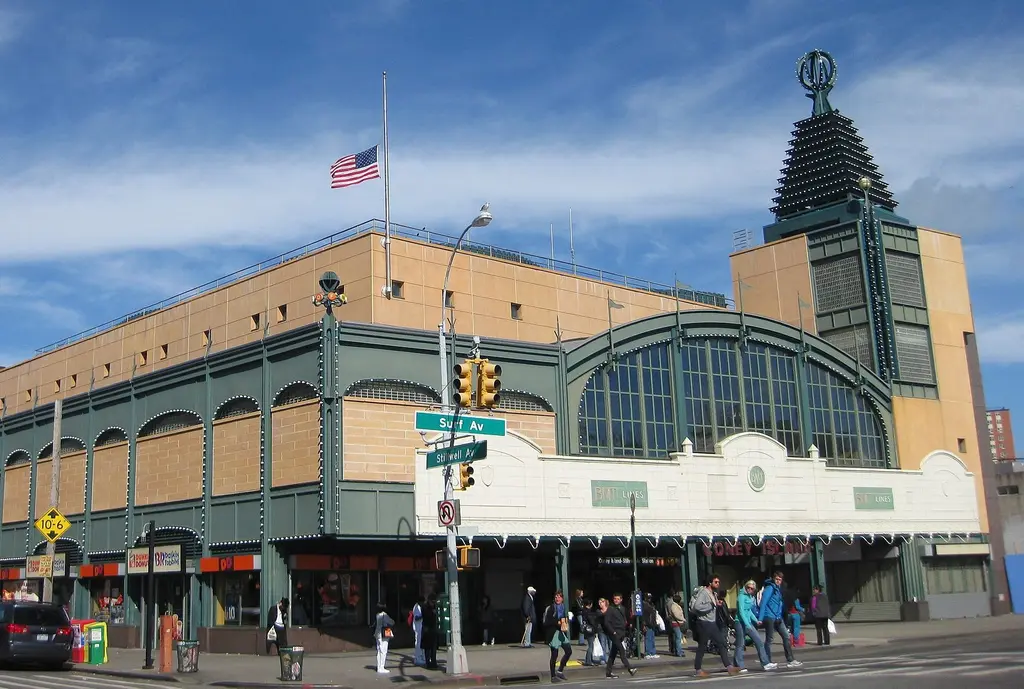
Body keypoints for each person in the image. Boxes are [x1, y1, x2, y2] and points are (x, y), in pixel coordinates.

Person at [689, 575, 740, 679]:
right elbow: (697, 606)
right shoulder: (704, 592)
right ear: (710, 583)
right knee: (703, 647)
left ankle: (729, 667)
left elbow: (714, 605)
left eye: (718, 582)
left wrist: (718, 603)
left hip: (711, 623)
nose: (718, 584)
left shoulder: (713, 593)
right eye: (716, 582)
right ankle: (698, 670)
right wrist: (711, 605)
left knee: (721, 643)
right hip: (704, 623)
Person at [757, 571, 802, 668]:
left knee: (786, 636)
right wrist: (760, 618)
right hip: (769, 616)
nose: (778, 581)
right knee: (770, 639)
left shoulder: (778, 589)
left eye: (780, 580)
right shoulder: (770, 588)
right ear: (773, 579)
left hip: (778, 617)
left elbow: (780, 604)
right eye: (777, 579)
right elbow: (763, 603)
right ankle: (767, 661)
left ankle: (790, 659)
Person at [735, 579, 773, 672]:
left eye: (752, 588)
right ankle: (739, 665)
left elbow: (749, 612)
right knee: (740, 644)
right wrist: (747, 624)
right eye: (748, 587)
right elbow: (741, 612)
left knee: (759, 642)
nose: (750, 589)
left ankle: (765, 663)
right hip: (740, 623)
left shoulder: (750, 598)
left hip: (748, 623)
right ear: (746, 586)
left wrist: (756, 621)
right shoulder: (741, 596)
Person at [598, 596, 637, 679]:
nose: (616, 600)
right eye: (615, 599)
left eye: (618, 599)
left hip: (621, 633)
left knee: (613, 653)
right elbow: (606, 622)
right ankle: (630, 668)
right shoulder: (611, 609)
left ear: (621, 600)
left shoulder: (623, 608)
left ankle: (608, 672)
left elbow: (626, 619)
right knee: (622, 650)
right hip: (615, 634)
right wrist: (613, 631)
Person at [543, 590, 573, 682]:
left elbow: (566, 619)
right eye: (556, 597)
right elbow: (546, 622)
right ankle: (553, 676)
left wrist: (569, 619)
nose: (557, 598)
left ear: (562, 599)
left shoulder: (564, 608)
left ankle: (560, 671)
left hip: (561, 632)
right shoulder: (551, 608)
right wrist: (557, 622)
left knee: (568, 651)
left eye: (559, 597)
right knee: (554, 655)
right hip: (553, 633)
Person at [373, 602, 395, 674]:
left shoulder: (377, 614)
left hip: (377, 634)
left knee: (379, 651)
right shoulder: (384, 615)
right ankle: (382, 667)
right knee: (384, 651)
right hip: (384, 634)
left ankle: (379, 667)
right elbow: (392, 622)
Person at [580, 599, 599, 666]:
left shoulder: (583, 611)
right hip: (590, 630)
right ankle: (588, 661)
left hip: (586, 630)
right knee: (591, 646)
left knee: (590, 645)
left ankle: (589, 659)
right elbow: (592, 622)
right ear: (590, 604)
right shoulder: (589, 612)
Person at [667, 594, 687, 658]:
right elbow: (676, 615)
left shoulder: (675, 605)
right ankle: (679, 652)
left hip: (676, 623)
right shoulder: (674, 606)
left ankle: (677, 650)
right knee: (678, 638)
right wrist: (683, 619)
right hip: (675, 623)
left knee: (677, 637)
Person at [422, 595, 439, 669]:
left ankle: (434, 662)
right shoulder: (425, 607)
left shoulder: (435, 607)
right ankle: (428, 663)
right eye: (432, 601)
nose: (433, 603)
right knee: (428, 648)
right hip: (427, 629)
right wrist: (432, 612)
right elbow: (426, 616)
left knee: (433, 648)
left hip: (433, 629)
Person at [641, 593, 659, 658]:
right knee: (648, 638)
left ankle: (652, 652)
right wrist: (643, 625)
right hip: (648, 624)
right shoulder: (643, 605)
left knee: (652, 638)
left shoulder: (650, 604)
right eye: (648, 598)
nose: (649, 599)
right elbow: (643, 616)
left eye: (650, 598)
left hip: (652, 623)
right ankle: (648, 652)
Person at [412, 595, 425, 665]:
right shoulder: (416, 607)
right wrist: (423, 615)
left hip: (420, 627)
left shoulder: (419, 607)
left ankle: (421, 657)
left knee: (421, 643)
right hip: (418, 628)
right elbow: (417, 618)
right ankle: (417, 658)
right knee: (418, 643)